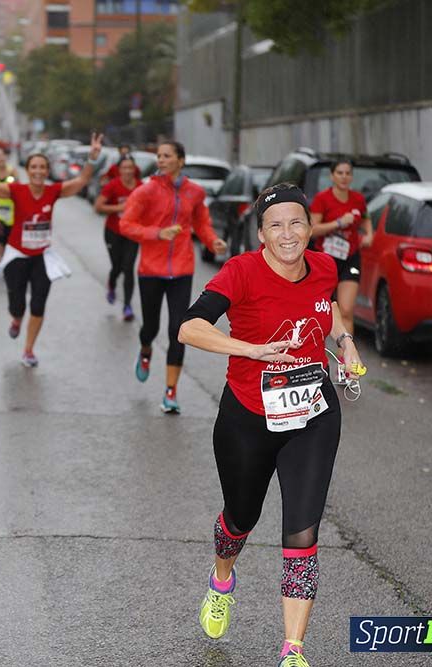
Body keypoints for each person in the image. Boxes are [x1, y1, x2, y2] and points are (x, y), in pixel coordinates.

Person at [178, 183, 367, 667]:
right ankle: (222, 580)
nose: (287, 234)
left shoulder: (324, 268)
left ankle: (293, 650)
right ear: (261, 233)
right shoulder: (240, 272)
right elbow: (190, 328)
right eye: (276, 225)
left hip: (312, 414)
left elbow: (329, 312)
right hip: (247, 416)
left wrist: (345, 342)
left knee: (302, 533)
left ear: (310, 227)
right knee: (240, 518)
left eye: (296, 222)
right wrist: (252, 350)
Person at [0, 133, 104, 367]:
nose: (38, 171)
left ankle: (28, 350)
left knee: (38, 305)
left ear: (47, 171)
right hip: (17, 256)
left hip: (41, 257)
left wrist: (92, 158)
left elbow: (81, 181)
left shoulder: (53, 191)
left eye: (42, 167)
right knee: (17, 305)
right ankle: (17, 319)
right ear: (27, 170)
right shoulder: (16, 190)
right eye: (34, 167)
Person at [119, 141, 226, 413]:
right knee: (150, 327)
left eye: (167, 156)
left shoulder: (195, 192)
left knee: (178, 330)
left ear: (180, 160)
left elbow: (202, 223)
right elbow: (126, 225)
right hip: (150, 270)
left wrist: (212, 241)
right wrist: (157, 233)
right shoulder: (146, 191)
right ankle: (145, 349)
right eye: (159, 156)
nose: (161, 160)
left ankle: (170, 391)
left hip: (181, 269)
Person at [309, 159, 373, 337]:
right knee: (320, 311)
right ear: (332, 176)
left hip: (350, 258)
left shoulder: (358, 199)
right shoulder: (322, 199)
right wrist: (338, 223)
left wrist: (369, 233)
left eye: (348, 173)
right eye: (340, 173)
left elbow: (365, 218)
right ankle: (316, 349)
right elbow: (312, 230)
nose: (344, 177)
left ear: (352, 177)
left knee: (346, 310)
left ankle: (346, 354)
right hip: (325, 260)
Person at [94, 155, 142, 321]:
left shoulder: (141, 187)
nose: (128, 171)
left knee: (128, 268)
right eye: (124, 168)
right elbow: (98, 207)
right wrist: (120, 207)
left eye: (130, 168)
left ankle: (127, 306)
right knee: (117, 267)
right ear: (119, 170)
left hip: (132, 234)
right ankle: (112, 284)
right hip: (113, 232)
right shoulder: (113, 185)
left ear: (135, 170)